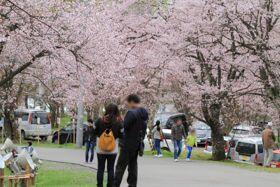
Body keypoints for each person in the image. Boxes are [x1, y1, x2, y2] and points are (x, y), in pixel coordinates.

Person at [114, 94, 149, 187]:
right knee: (133, 167)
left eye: (128, 103)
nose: (127, 105)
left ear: (132, 101)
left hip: (127, 144)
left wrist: (120, 121)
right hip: (137, 144)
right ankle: (132, 185)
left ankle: (115, 185)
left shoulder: (131, 113)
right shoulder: (144, 114)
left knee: (120, 167)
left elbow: (125, 127)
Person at [94, 104, 123, 187]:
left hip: (101, 149)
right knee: (110, 169)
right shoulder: (118, 122)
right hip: (112, 150)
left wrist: (101, 135)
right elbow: (122, 135)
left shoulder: (100, 120)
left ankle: (99, 185)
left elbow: (94, 131)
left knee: (100, 169)